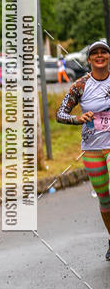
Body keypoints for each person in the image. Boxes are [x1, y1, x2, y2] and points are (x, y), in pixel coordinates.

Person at [56, 40, 110, 260]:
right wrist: (78, 119)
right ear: (89, 59)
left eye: (104, 52)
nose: (100, 56)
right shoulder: (80, 85)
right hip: (92, 149)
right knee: (105, 199)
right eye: (95, 53)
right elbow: (60, 114)